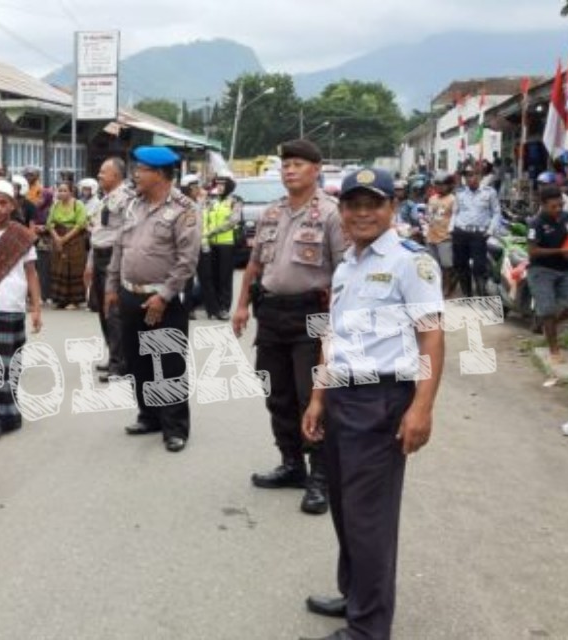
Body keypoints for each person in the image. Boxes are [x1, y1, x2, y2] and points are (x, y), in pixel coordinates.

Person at [300, 168, 445, 640]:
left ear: (392, 207)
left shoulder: (411, 262)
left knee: (370, 518)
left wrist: (421, 408)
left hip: (382, 399)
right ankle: (355, 596)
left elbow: (431, 335)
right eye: (353, 204)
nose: (362, 213)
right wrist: (319, 397)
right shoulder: (346, 265)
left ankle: (369, 628)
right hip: (342, 394)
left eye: (373, 204)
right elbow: (332, 337)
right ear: (341, 211)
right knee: (345, 509)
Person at [232, 139, 346, 513]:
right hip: (272, 314)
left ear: (317, 169)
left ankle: (320, 475)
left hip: (312, 314)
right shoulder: (270, 213)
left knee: (308, 395)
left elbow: (346, 273)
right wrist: (241, 306)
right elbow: (254, 265)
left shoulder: (331, 214)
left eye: (298, 164)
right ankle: (291, 463)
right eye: (285, 165)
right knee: (276, 392)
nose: (289, 170)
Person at [104, 146, 201, 454]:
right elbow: (120, 248)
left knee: (169, 363)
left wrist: (164, 296)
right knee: (138, 361)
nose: (136, 174)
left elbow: (187, 261)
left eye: (141, 170)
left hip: (164, 299)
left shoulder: (184, 209)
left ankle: (175, 428)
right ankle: (149, 415)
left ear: (159, 174)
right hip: (130, 293)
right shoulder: (133, 205)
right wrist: (111, 287)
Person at [0, 179, 43, 440]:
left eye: (4, 203)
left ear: (13, 205)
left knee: (12, 363)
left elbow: (32, 273)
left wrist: (36, 308)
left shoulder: (22, 235)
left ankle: (10, 414)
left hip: (15, 307)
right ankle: (0, 416)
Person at [527, 186, 568, 362]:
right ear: (543, 205)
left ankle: (551, 325)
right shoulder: (536, 223)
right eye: (553, 206)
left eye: (560, 205)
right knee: (547, 309)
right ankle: (554, 349)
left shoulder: (567, 217)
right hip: (540, 271)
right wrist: (561, 250)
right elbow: (533, 252)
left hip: (565, 269)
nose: (558, 209)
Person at [85, 159, 135, 379]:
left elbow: (127, 232)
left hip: (113, 258)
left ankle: (121, 363)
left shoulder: (126, 199)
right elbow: (97, 232)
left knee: (114, 311)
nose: (99, 175)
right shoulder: (104, 199)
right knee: (103, 312)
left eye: (103, 171)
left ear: (116, 175)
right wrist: (89, 263)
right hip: (98, 255)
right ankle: (113, 355)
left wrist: (117, 263)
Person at [450, 164, 501, 297]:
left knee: (479, 267)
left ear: (479, 176)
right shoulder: (460, 193)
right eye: (467, 175)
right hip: (461, 232)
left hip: (479, 234)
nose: (470, 178)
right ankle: (468, 295)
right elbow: (455, 212)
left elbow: (496, 213)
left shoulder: (489, 192)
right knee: (460, 265)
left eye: (473, 174)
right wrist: (451, 228)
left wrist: (490, 230)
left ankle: (481, 294)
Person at [200, 176, 239, 320]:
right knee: (212, 275)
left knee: (225, 277)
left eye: (223, 185)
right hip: (210, 244)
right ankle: (214, 307)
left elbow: (233, 221)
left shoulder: (235, 201)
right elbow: (204, 218)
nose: (220, 187)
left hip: (226, 244)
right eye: (218, 184)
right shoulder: (211, 201)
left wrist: (212, 232)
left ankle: (224, 307)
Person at [45, 180, 89, 309]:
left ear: (71, 192)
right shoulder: (55, 205)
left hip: (74, 240)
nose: (62, 193)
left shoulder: (78, 204)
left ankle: (74, 301)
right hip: (58, 238)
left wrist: (64, 239)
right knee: (59, 267)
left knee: (73, 268)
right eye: (60, 190)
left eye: (65, 190)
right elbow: (49, 223)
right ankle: (60, 299)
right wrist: (57, 238)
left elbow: (80, 224)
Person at [425, 173, 457, 298]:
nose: (439, 187)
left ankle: (447, 287)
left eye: (442, 185)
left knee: (446, 266)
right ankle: (436, 288)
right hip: (431, 236)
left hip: (445, 237)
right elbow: (428, 215)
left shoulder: (452, 199)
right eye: (437, 185)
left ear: (449, 186)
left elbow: (454, 217)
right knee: (433, 265)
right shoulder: (432, 199)